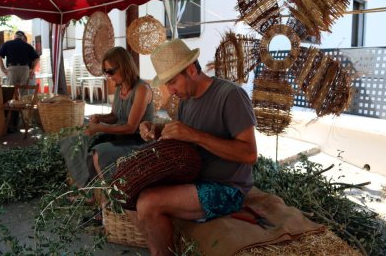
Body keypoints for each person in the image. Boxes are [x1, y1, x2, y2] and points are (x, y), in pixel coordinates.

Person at [133, 39, 257, 255]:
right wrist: (157, 129)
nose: (170, 91)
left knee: (148, 203)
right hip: (194, 178)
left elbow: (249, 154)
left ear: (191, 70)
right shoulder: (186, 99)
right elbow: (184, 133)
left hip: (227, 188)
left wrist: (196, 136)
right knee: (137, 190)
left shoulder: (230, 96)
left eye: (172, 82)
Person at [59, 46, 154, 188]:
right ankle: (87, 188)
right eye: (105, 72)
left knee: (99, 151)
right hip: (118, 136)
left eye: (110, 71)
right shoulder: (120, 87)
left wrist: (99, 128)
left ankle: (111, 195)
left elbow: (130, 127)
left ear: (124, 66)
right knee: (72, 142)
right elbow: (115, 116)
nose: (108, 75)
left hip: (136, 140)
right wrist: (100, 117)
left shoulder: (142, 89)